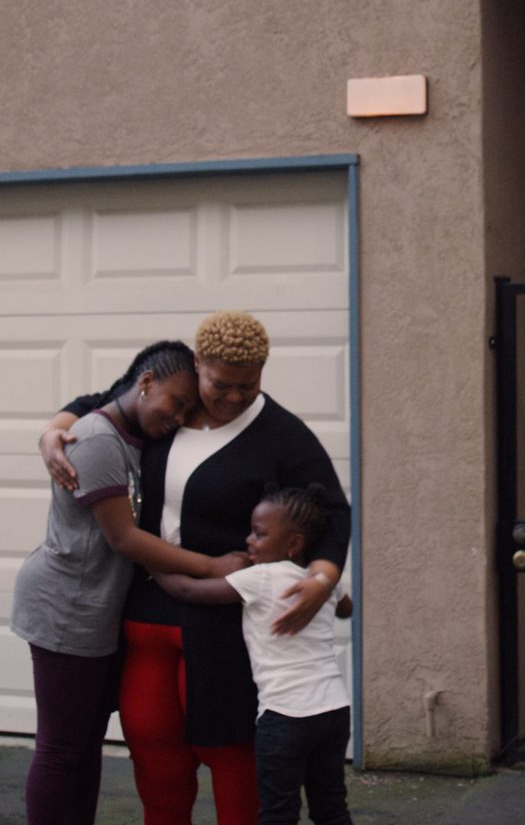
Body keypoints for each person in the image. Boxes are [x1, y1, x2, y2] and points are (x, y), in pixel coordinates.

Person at [38, 310, 351, 825]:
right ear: (197, 364)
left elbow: (332, 510)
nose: (233, 397)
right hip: (146, 614)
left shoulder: (281, 434)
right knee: (153, 750)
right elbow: (101, 402)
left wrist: (323, 578)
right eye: (220, 385)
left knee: (232, 755)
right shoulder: (170, 405)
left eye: (247, 385)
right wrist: (54, 430)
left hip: (224, 623)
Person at [12, 340, 249, 825]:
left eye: (186, 409)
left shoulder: (133, 435)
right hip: (66, 608)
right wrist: (211, 567)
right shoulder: (97, 440)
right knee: (61, 748)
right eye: (175, 403)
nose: (178, 418)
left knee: (84, 744)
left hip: (95, 610)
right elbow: (123, 538)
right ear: (145, 382)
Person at [155, 483, 355, 825]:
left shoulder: (260, 578)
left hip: (285, 716)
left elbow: (190, 591)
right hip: (333, 711)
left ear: (293, 544)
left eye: (259, 534)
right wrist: (325, 585)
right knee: (331, 807)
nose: (249, 540)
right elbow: (347, 609)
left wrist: (153, 565)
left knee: (278, 812)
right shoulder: (319, 581)